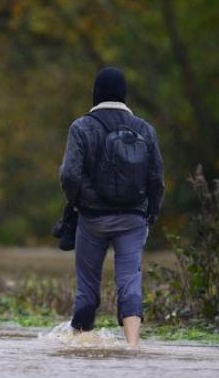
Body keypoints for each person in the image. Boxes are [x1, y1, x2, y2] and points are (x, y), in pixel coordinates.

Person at [59, 67, 164, 347]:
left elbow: (69, 174)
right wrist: (150, 214)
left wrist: (78, 202)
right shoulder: (145, 129)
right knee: (130, 280)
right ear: (123, 94)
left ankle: (81, 343)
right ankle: (132, 346)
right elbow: (156, 179)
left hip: (92, 219)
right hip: (133, 219)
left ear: (96, 93)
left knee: (87, 285)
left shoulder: (81, 126)